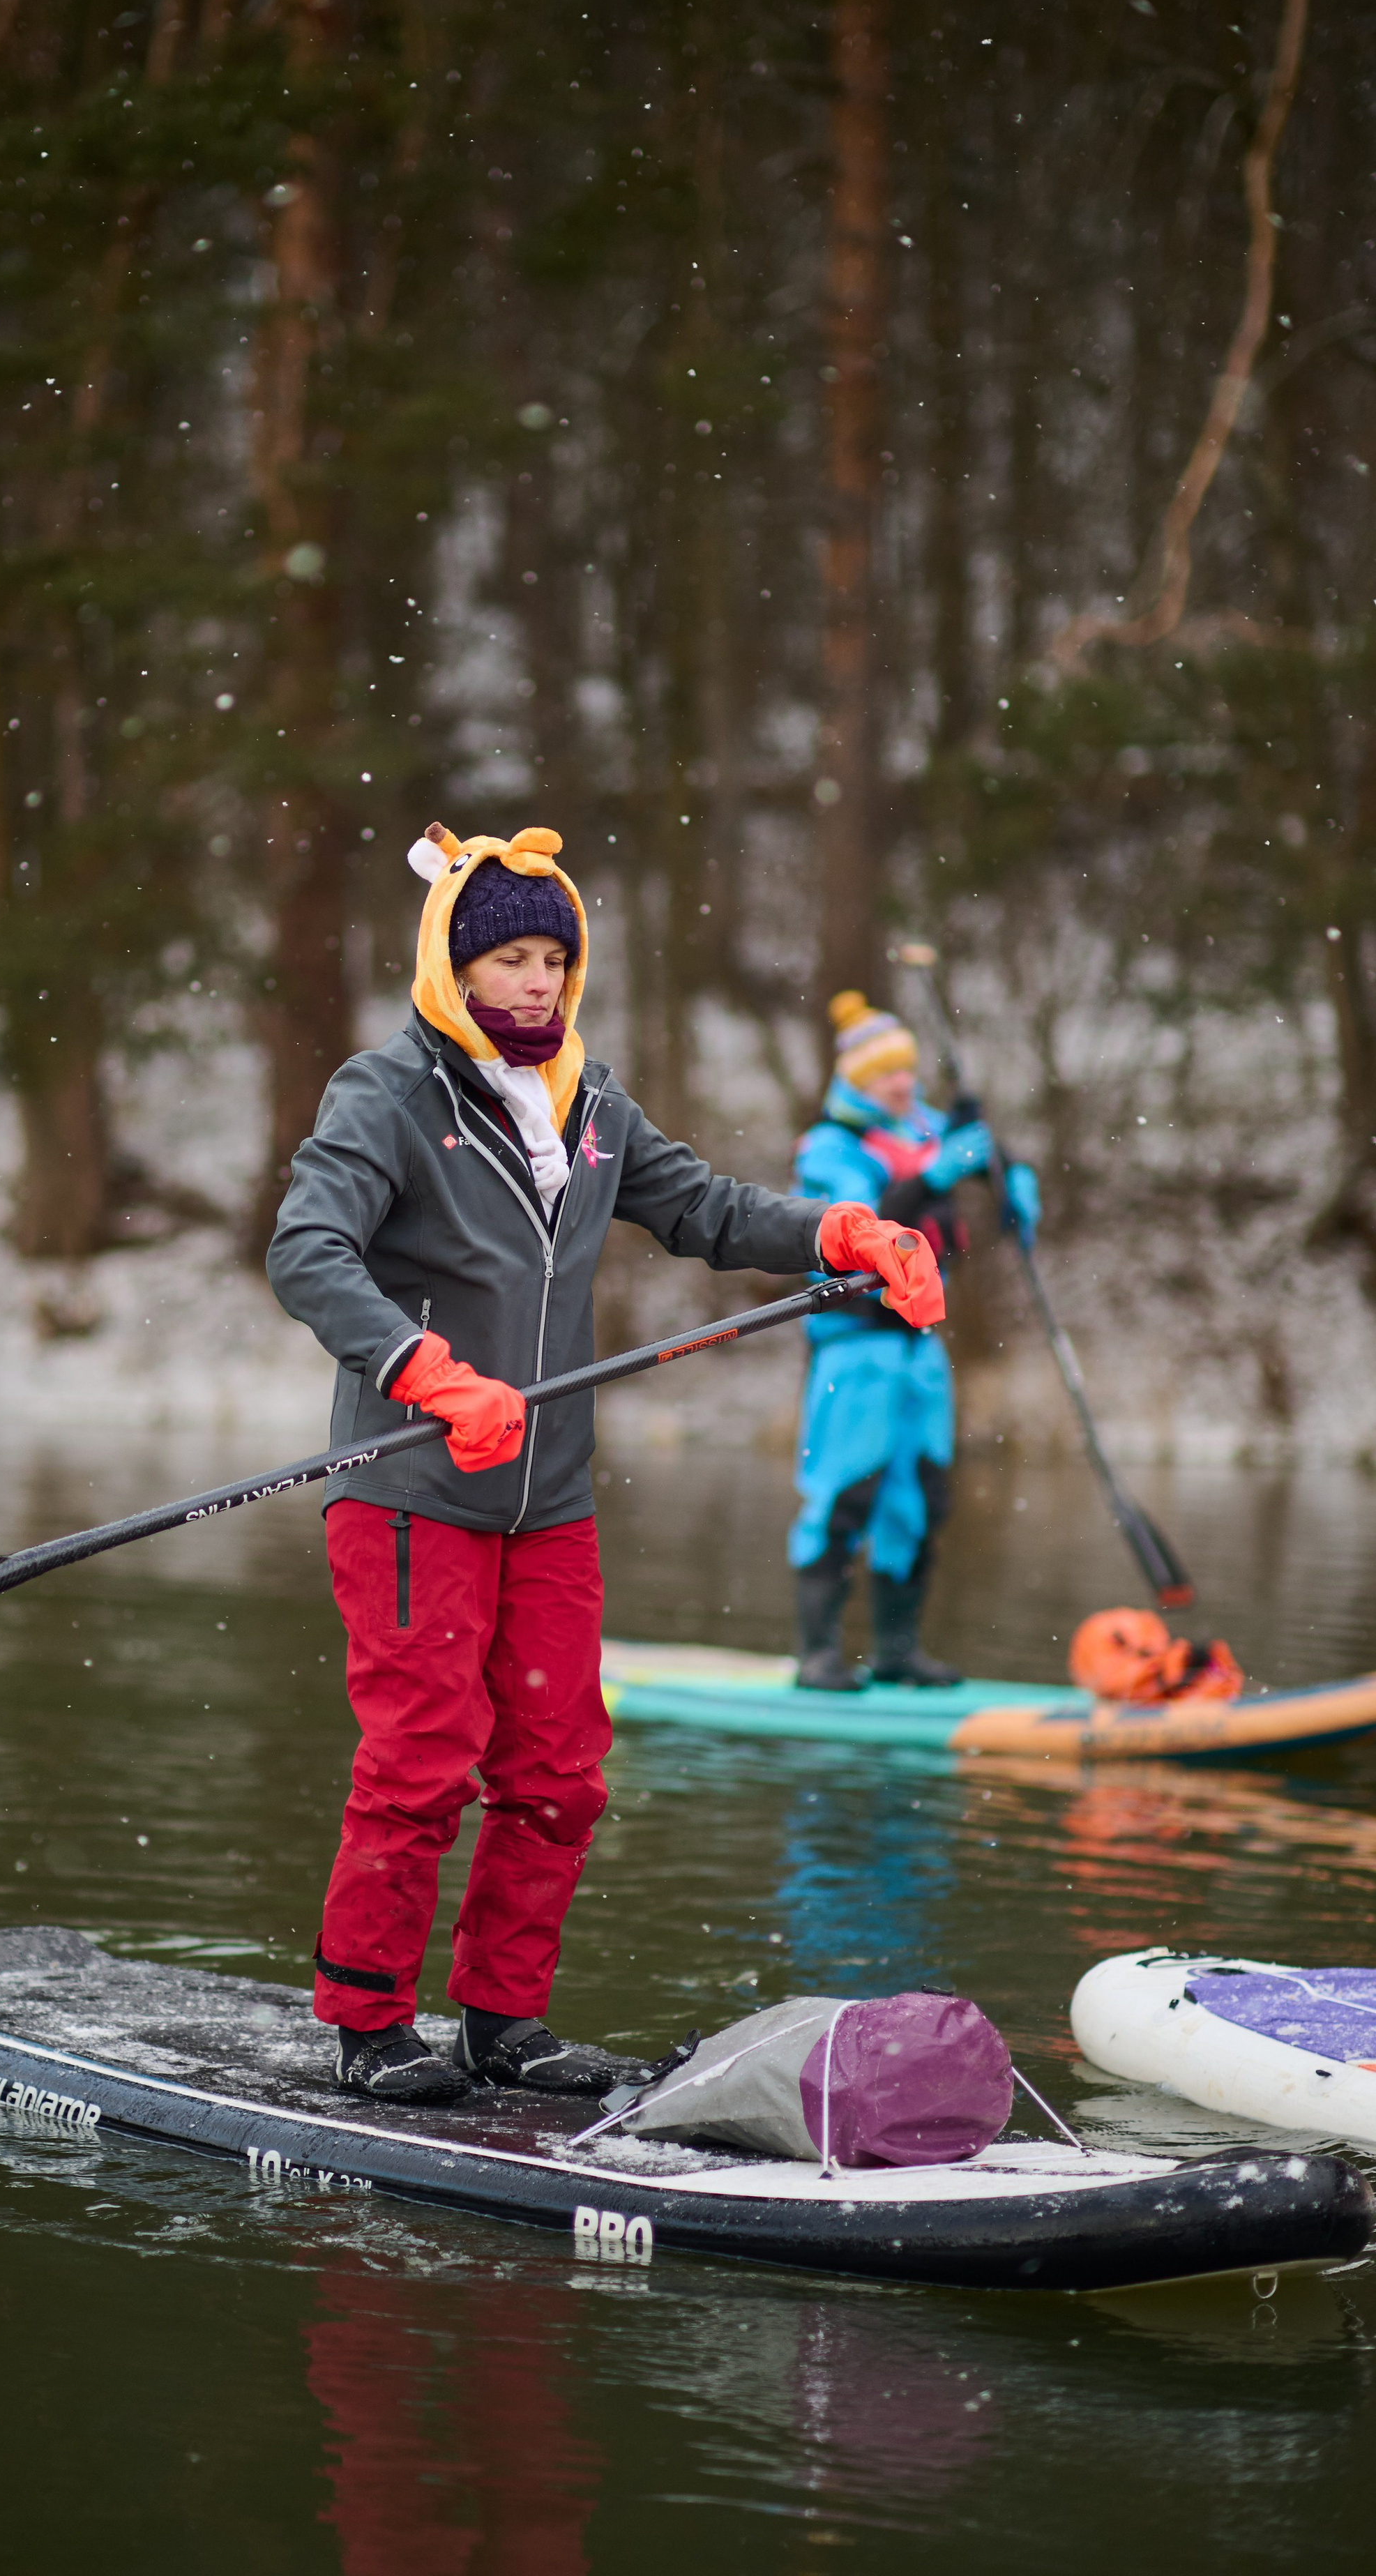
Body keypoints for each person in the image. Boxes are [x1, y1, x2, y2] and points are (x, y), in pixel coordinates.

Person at [267, 828, 944, 2105]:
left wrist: (841, 1229)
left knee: (562, 1772)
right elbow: (308, 1251)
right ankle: (367, 2021)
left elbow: (712, 1210)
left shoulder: (589, 1099)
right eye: (509, 958)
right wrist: (423, 1368)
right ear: (452, 967)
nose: (534, 982)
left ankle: (501, 2023)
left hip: (548, 1499)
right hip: (411, 1485)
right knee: (421, 1763)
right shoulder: (387, 1093)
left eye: (554, 958)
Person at [787, 990, 1040, 1693]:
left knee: (919, 1497)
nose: (900, 1083)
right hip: (852, 1347)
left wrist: (1011, 1176)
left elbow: (985, 1164)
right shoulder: (830, 1144)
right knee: (845, 1493)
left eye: (905, 1071)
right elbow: (859, 1225)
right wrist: (933, 1174)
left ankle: (896, 1652)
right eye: (883, 1075)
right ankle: (818, 1655)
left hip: (920, 1349)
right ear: (856, 1081)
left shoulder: (930, 1127)